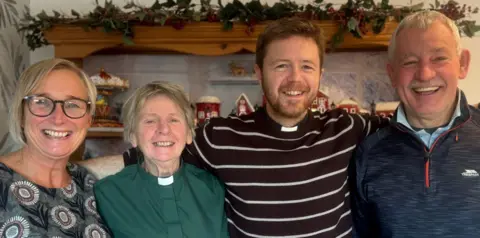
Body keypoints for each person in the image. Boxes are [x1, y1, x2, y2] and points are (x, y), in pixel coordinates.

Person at [81, 17, 389, 237]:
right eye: (281, 66)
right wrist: (62, 171)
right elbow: (153, 150)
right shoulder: (220, 137)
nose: (295, 79)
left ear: (320, 74)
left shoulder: (349, 129)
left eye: (307, 66)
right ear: (259, 73)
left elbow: (414, 128)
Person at [351, 10, 480, 237]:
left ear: (463, 64)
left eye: (439, 58)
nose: (425, 73)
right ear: (392, 74)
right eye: (410, 62)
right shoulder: (369, 153)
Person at [94, 81, 229, 237]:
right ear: (133, 136)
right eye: (150, 121)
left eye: (173, 120)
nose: (164, 129)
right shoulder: (106, 194)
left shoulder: (212, 189)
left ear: (189, 133)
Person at [0, 59, 111, 237]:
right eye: (42, 101)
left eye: (73, 104)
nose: (58, 118)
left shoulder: (88, 182)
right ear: (21, 113)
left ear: (88, 119)